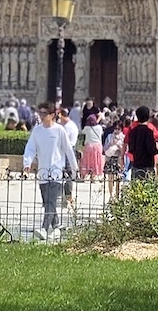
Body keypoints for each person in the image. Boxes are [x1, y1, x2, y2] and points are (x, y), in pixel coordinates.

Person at [22, 101, 77, 242]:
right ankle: (57, 226)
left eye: (44, 113)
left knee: (51, 200)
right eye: (39, 113)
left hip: (56, 171)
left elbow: (68, 150)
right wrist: (27, 164)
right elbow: (30, 148)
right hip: (42, 172)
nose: (41, 116)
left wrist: (74, 168)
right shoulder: (37, 130)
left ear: (52, 115)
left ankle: (44, 228)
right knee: (47, 202)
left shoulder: (59, 130)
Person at [123, 105, 158, 183]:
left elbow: (131, 148)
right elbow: (152, 150)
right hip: (147, 165)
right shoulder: (149, 131)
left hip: (136, 164)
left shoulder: (133, 131)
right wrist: (157, 147)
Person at [77, 114, 105, 180]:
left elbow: (82, 132)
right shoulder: (99, 127)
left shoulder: (87, 128)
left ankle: (85, 175)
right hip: (98, 146)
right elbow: (101, 133)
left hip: (89, 146)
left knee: (87, 161)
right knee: (96, 161)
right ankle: (94, 176)